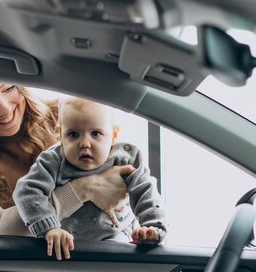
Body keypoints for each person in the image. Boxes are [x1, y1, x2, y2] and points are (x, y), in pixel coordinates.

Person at [0, 80, 134, 235]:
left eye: (9, 88)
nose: (4, 109)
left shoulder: (65, 115)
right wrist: (81, 190)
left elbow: (119, 180)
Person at [14, 97, 167, 260]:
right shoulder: (53, 160)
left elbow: (146, 192)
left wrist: (152, 227)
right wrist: (49, 228)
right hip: (68, 244)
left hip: (116, 238)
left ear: (114, 135)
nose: (85, 143)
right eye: (73, 134)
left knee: (123, 261)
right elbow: (27, 192)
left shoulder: (126, 158)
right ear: (60, 135)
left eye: (96, 133)